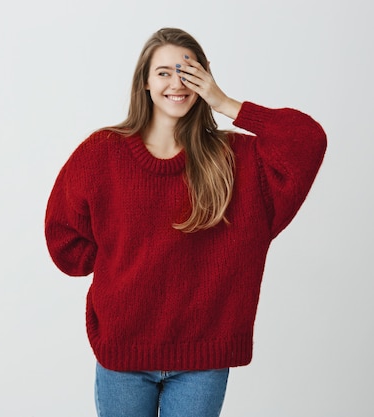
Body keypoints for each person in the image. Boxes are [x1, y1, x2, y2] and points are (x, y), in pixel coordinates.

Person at [44, 27, 326, 417]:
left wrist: (225, 102)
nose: (176, 82)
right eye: (163, 72)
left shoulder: (236, 159)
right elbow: (68, 245)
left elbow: (308, 139)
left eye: (188, 70)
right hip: (124, 350)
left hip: (202, 358)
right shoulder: (101, 153)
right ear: (144, 80)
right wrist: (121, 262)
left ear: (205, 75)